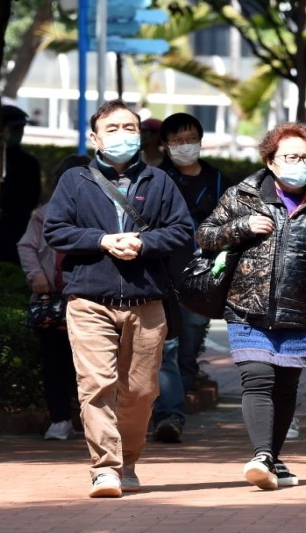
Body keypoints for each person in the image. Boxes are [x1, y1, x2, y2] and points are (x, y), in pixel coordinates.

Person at [196, 121, 306, 490]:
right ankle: (260, 455)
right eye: (290, 156)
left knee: (286, 388)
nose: (299, 163)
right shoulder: (243, 197)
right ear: (271, 161)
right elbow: (205, 235)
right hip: (246, 307)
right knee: (258, 378)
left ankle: (270, 459)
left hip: (299, 309)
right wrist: (241, 227)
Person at [43, 99, 192, 498]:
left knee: (141, 392)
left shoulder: (160, 181)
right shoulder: (75, 181)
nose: (123, 135)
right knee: (96, 385)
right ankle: (105, 469)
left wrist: (142, 242)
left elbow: (181, 231)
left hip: (146, 302)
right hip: (89, 300)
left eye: (130, 128)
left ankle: (127, 461)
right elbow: (55, 231)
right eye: (113, 128)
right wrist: (102, 241)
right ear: (95, 137)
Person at [151, 112, 234, 444]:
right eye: (176, 141)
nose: (185, 146)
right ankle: (168, 415)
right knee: (165, 347)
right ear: (165, 145)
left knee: (186, 351)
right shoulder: (154, 180)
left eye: (190, 139)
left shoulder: (219, 182)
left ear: (201, 141)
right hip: (163, 276)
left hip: (202, 279)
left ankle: (174, 409)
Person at [17, 154, 91, 441]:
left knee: (92, 363)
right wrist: (35, 274)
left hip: (90, 299)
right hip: (53, 299)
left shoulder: (103, 215)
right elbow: (26, 246)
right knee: (54, 361)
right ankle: (60, 419)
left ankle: (95, 421)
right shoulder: (43, 215)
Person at [0, 102, 42, 265]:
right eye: (13, 129)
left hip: (17, 228)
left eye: (20, 129)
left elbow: (33, 197)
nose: (18, 133)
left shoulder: (29, 163)